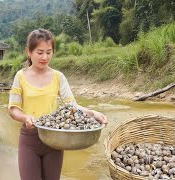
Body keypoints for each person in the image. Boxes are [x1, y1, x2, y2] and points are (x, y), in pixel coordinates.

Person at [8, 28, 108, 180]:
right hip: (29, 140)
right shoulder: (20, 76)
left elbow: (72, 106)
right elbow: (14, 109)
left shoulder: (58, 77)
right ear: (29, 52)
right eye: (40, 52)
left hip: (54, 140)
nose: (45, 57)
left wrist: (93, 113)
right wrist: (25, 118)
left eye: (49, 52)